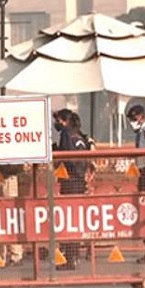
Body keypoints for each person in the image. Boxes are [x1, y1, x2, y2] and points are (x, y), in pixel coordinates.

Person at [53, 110, 89, 270]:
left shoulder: (67, 134)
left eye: (58, 120)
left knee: (69, 220)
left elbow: (67, 156)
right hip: (80, 182)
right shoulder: (80, 134)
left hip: (70, 181)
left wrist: (56, 152)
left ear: (65, 121)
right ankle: (74, 256)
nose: (57, 124)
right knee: (76, 219)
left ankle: (70, 257)